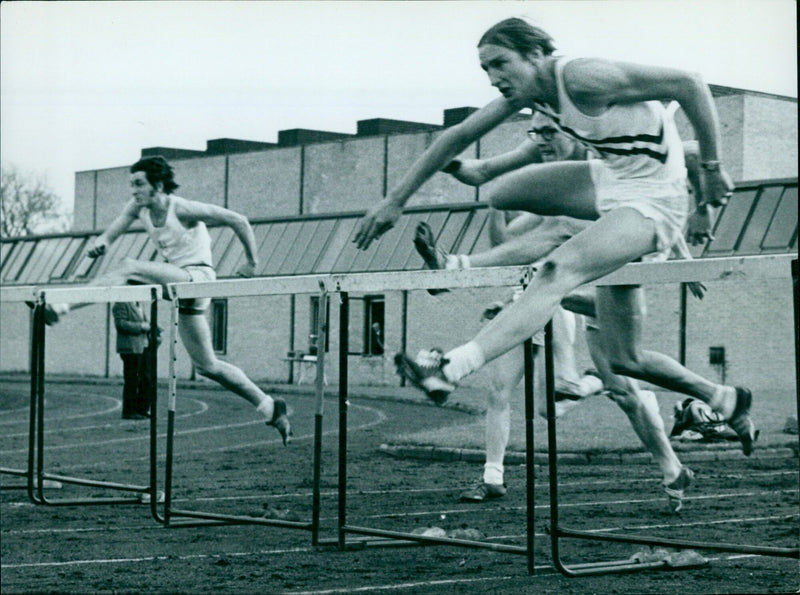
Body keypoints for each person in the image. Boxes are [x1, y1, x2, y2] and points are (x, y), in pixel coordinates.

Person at [355, 18, 754, 487]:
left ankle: (451, 365)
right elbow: (456, 138)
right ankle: (726, 400)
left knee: (555, 268)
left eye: (501, 64)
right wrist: (394, 201)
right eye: (485, 70)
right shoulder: (528, 99)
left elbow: (689, 83)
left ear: (536, 55)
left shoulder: (584, 77)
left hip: (655, 200)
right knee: (504, 195)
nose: (494, 78)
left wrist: (710, 170)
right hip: (612, 182)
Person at [416, 116, 706, 509]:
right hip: (557, 288)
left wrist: (696, 223)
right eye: (534, 136)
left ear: (573, 132)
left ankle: (589, 383)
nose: (540, 144)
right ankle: (494, 474)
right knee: (510, 389)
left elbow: (689, 158)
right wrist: (487, 200)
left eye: (548, 134)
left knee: (619, 382)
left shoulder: (610, 158)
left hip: (608, 285)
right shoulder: (556, 188)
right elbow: (513, 239)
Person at [43, 156, 291, 445]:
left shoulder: (182, 208)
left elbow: (238, 220)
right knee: (207, 366)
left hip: (198, 279)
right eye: (131, 184)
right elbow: (115, 228)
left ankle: (63, 306)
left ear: (157, 185)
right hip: (181, 289)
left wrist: (252, 262)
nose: (133, 191)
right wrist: (103, 242)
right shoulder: (138, 208)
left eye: (139, 184)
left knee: (130, 267)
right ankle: (270, 407)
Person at [112, 300, 156, 420]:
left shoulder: (140, 303)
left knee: (146, 378)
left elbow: (143, 321)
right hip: (131, 348)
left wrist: (151, 326)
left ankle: (142, 409)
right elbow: (120, 324)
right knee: (132, 380)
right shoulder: (121, 304)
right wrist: (141, 326)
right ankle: (129, 411)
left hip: (144, 345)